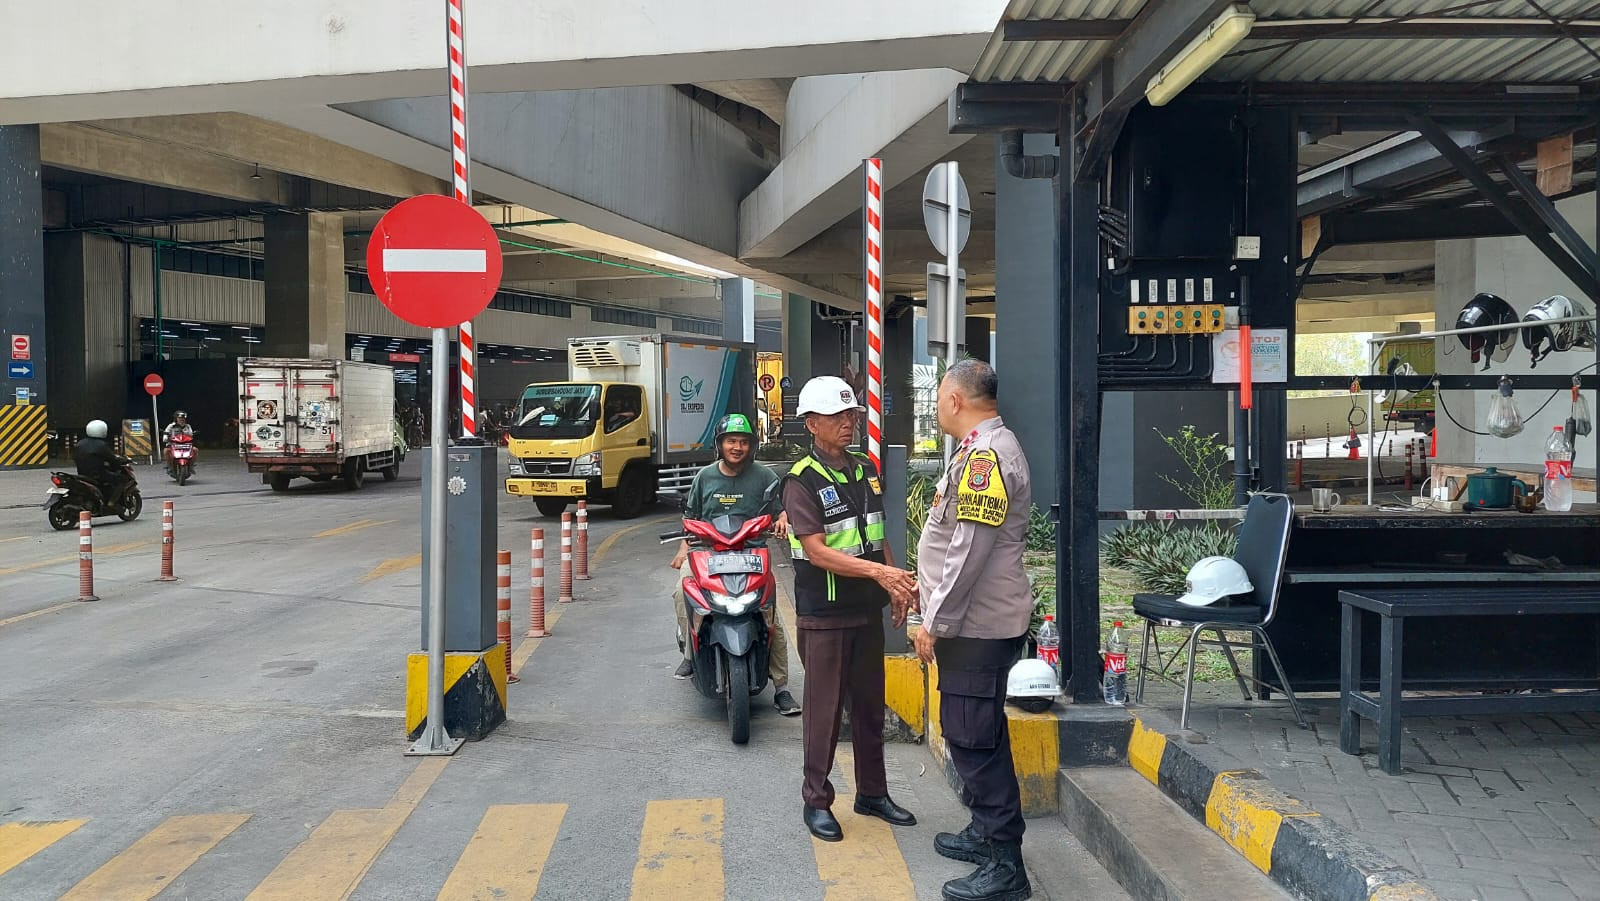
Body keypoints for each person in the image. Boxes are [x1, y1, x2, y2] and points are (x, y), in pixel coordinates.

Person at [913, 360, 1034, 901]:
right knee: (977, 731)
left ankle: (1006, 866)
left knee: (972, 738)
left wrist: (934, 623)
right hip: (976, 622)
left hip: (975, 626)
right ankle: (987, 835)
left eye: (940, 396)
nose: (938, 406)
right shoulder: (979, 449)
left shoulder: (985, 456)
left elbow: (968, 552)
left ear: (957, 400)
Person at [782, 375, 917, 842]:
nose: (849, 422)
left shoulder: (863, 469)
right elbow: (817, 551)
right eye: (838, 416)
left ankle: (872, 793)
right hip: (824, 614)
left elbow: (877, 539)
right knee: (823, 711)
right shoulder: (801, 480)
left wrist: (896, 583)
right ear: (812, 423)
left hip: (867, 610)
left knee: (868, 708)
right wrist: (882, 576)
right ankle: (815, 800)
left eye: (852, 414)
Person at [670, 413, 800, 716]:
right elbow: (691, 519)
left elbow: (780, 509)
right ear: (720, 444)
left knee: (771, 618)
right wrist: (681, 550)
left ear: (751, 446)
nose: (737, 447)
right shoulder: (705, 477)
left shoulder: (764, 477)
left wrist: (782, 518)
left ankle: (781, 687)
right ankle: (691, 654)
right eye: (731, 441)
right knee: (681, 594)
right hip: (707, 553)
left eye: (743, 442)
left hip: (751, 554)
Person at [74, 419, 132, 505]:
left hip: (82, 474)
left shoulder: (80, 443)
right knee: (122, 480)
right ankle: (111, 503)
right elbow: (112, 459)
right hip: (98, 475)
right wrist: (124, 460)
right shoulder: (101, 445)